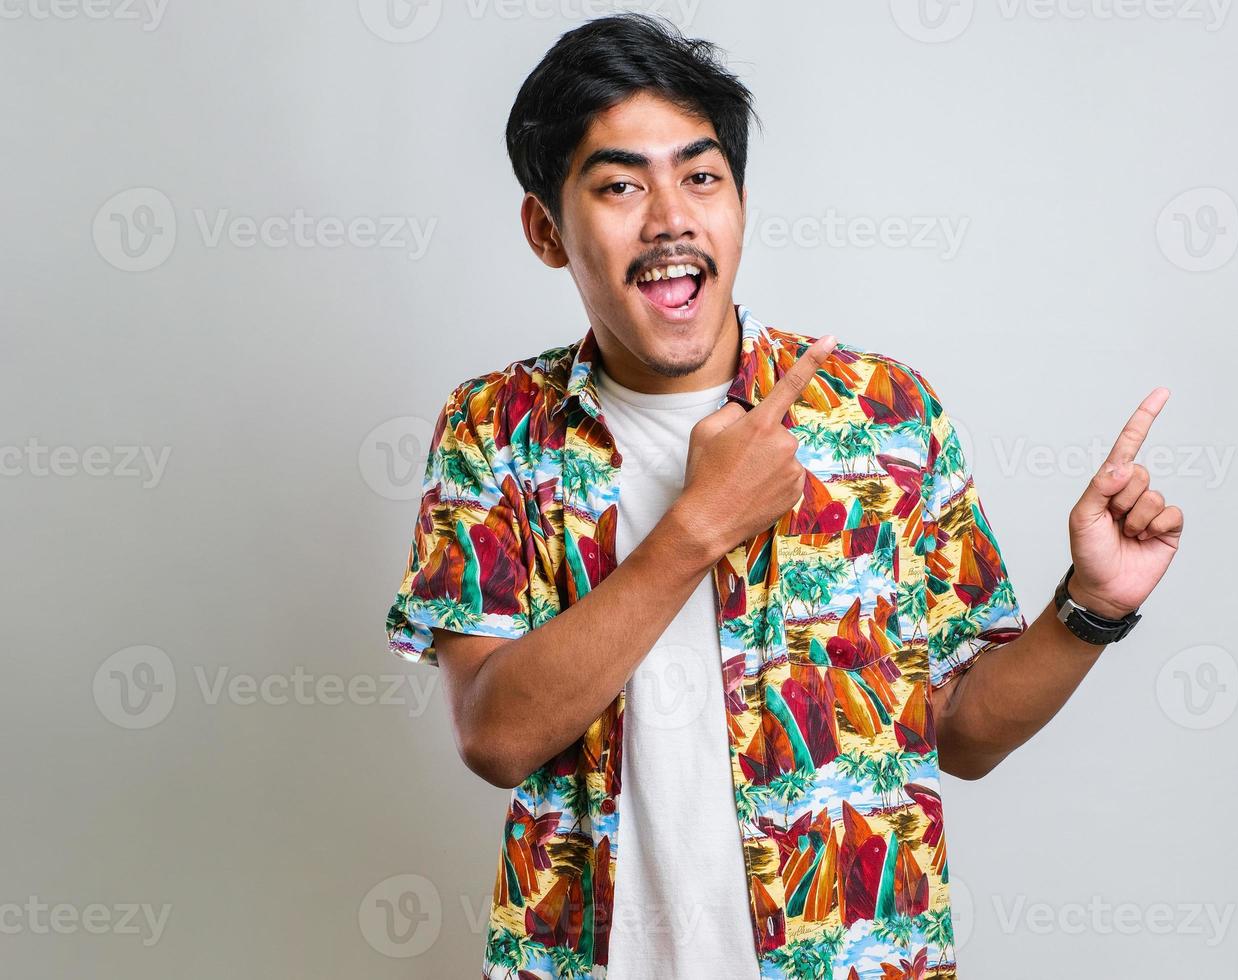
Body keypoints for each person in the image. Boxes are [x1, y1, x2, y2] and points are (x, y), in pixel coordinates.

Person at [384, 14, 1184, 980]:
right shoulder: (494, 429)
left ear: (740, 201)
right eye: (621, 184)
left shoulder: (882, 412)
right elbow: (497, 735)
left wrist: (1092, 606)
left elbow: (961, 734)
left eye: (701, 175)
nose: (671, 216)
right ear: (546, 231)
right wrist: (701, 522)